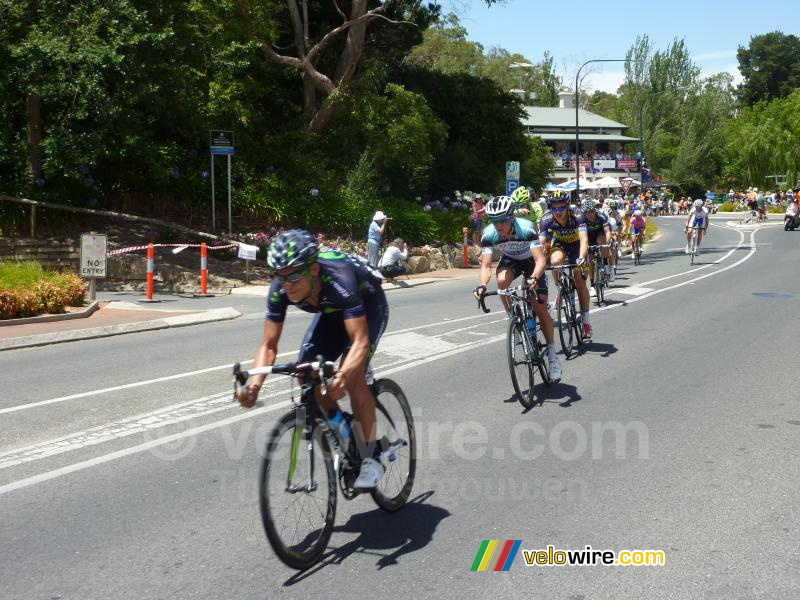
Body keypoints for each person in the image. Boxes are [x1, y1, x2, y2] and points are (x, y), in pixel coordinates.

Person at [236, 229, 388, 489]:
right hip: (331, 313)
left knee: (352, 380)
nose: (288, 284)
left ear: (314, 270)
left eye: (294, 275)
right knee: (306, 374)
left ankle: (370, 454)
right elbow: (269, 343)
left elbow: (360, 342)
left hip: (367, 305)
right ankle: (345, 431)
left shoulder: (340, 278)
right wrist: (255, 384)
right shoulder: (281, 287)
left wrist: (342, 376)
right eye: (280, 276)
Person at [472, 195, 562, 381]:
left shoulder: (527, 229)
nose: (499, 225)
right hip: (511, 260)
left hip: (531, 261)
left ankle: (553, 355)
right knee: (502, 280)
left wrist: (535, 278)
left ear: (511, 217)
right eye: (494, 221)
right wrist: (481, 285)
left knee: (540, 307)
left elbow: (540, 260)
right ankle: (513, 317)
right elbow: (486, 266)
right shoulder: (489, 234)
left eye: (503, 220)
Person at [538, 192, 593, 339]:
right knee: (555, 262)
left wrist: (581, 257)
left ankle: (586, 321)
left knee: (580, 283)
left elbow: (584, 240)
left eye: (561, 208)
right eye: (554, 209)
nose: (558, 212)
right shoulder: (547, 218)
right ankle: (560, 287)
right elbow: (541, 242)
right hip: (561, 245)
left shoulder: (578, 215)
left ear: (567, 207)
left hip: (577, 247)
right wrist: (538, 260)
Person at [581, 199, 614, 284]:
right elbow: (581, 236)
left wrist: (608, 241)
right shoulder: (582, 219)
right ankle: (592, 285)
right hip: (589, 235)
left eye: (591, 211)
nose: (589, 214)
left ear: (595, 210)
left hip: (600, 232)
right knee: (591, 261)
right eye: (587, 212)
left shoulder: (601, 216)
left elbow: (607, 231)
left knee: (602, 241)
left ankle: (606, 263)